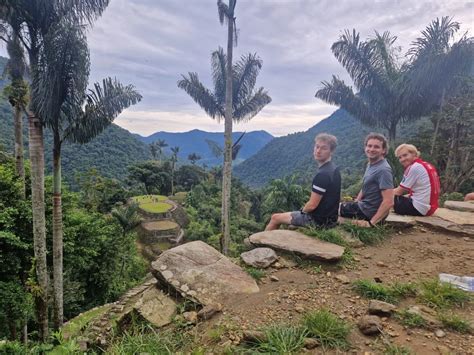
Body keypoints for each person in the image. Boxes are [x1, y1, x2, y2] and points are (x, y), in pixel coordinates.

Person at [265, 133, 341, 230]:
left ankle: (261, 242)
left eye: (324, 148)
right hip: (330, 219)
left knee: (275, 217)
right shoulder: (334, 169)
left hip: (318, 221)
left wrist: (302, 211)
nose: (318, 151)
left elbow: (312, 205)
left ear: (331, 151)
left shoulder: (323, 175)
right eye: (317, 147)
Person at [339, 133, 394, 227]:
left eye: (376, 147)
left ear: (383, 150)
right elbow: (365, 187)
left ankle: (353, 222)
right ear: (365, 147)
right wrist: (356, 201)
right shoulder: (371, 164)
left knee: (329, 208)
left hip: (368, 212)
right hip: (364, 207)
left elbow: (389, 201)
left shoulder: (383, 170)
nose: (371, 149)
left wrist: (371, 223)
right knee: (334, 206)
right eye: (369, 146)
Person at [393, 144, 440, 216]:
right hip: (430, 208)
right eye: (400, 157)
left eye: (405, 155)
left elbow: (398, 192)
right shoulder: (426, 165)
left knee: (385, 198)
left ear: (414, 154)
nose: (402, 159)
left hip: (418, 208)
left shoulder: (413, 167)